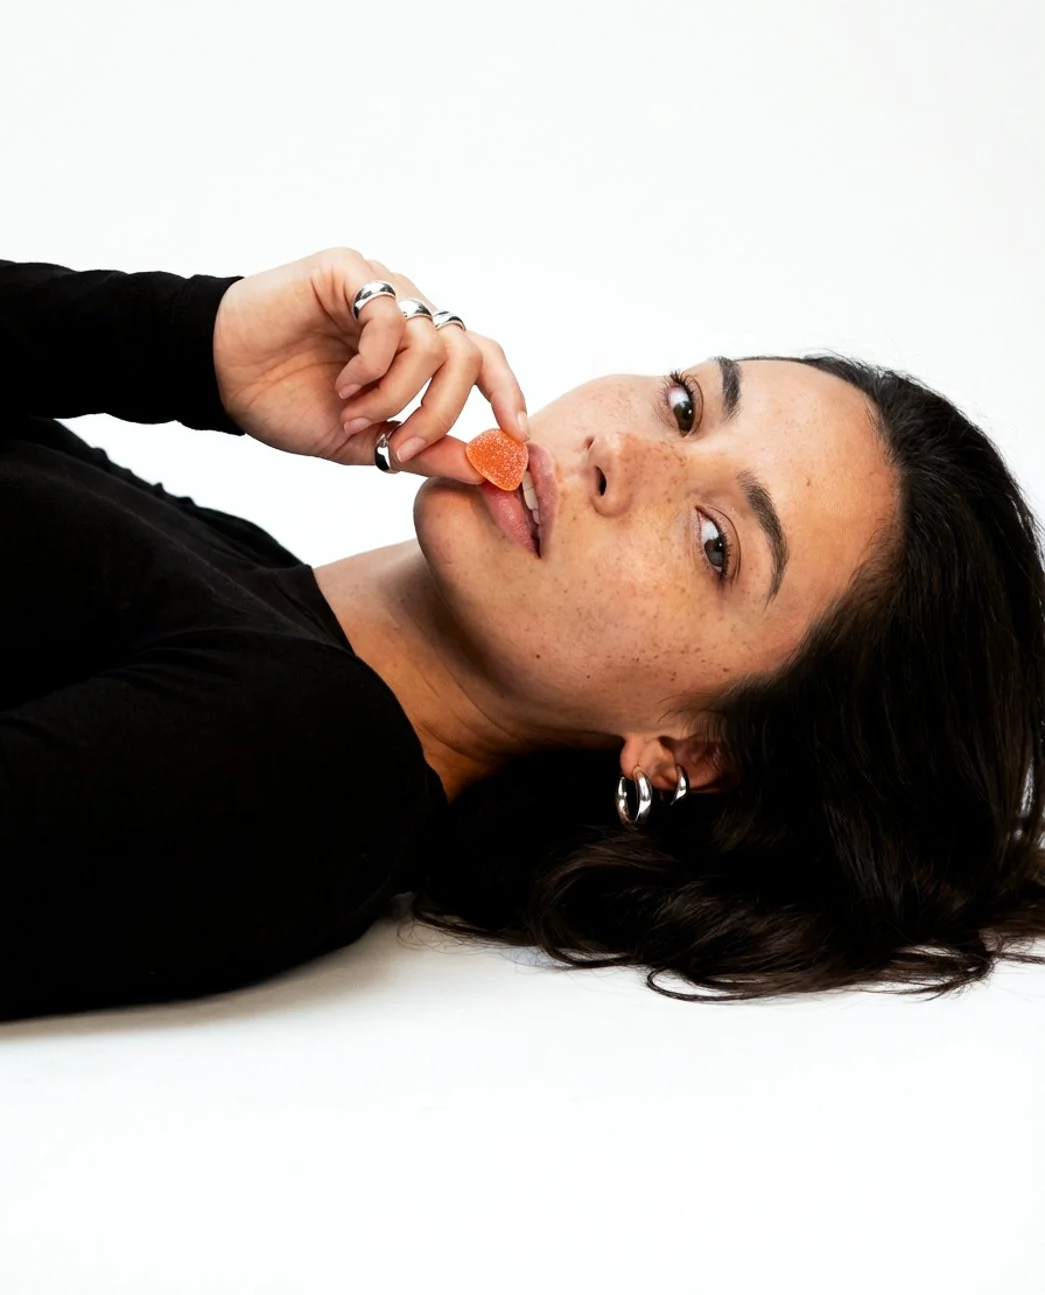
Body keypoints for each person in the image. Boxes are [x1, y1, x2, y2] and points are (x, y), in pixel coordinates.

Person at [1, 248, 1043, 1023]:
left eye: (714, 542)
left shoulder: (310, 757)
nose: (616, 451)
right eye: (685, 405)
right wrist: (190, 344)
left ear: (687, 751)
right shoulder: (240, 568)